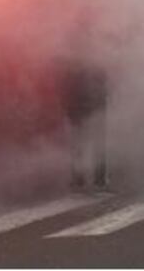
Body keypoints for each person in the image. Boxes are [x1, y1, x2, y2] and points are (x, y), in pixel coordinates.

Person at [62, 58, 110, 191]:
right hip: (89, 104)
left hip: (84, 105)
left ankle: (81, 180)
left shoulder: (72, 62)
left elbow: (66, 86)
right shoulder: (96, 60)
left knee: (81, 143)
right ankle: (94, 180)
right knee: (92, 143)